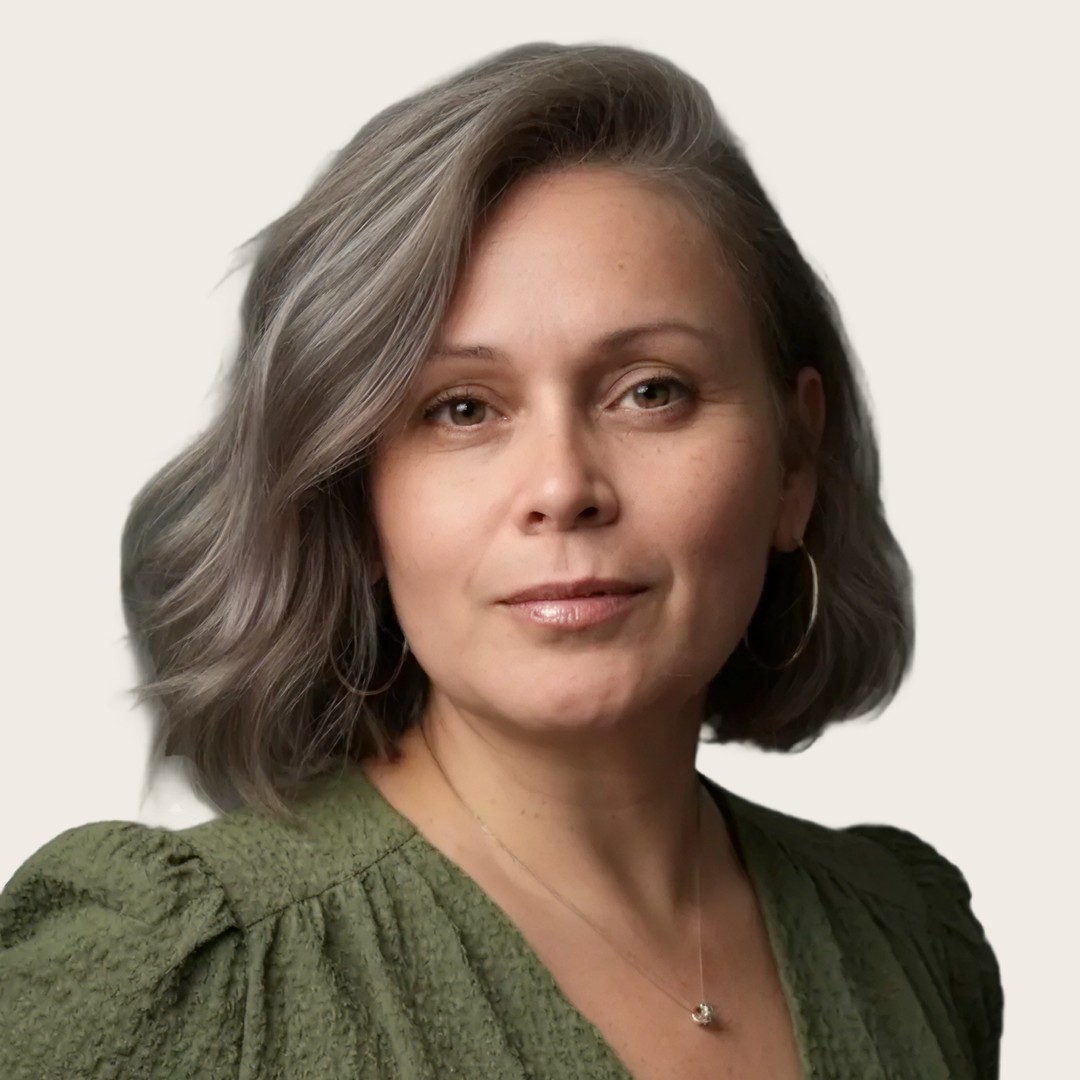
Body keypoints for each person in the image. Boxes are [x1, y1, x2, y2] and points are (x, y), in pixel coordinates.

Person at [0, 41, 1002, 1080]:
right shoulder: (172, 987)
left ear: (794, 461)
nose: (563, 486)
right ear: (354, 498)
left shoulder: (909, 942)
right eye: (462, 409)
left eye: (650, 391)